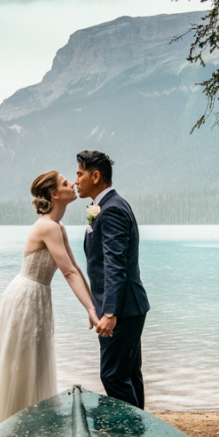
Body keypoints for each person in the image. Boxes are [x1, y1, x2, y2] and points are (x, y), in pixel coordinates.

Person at [0, 170, 100, 437]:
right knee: (21, 364)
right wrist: (90, 310)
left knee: (36, 362)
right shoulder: (47, 227)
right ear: (53, 194)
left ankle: (31, 432)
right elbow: (68, 274)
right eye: (65, 184)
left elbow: (76, 269)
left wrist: (95, 306)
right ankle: (9, 435)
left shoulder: (58, 227)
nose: (72, 185)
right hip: (25, 298)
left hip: (39, 296)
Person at [77, 150, 149, 408]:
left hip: (123, 310)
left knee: (113, 376)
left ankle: (130, 433)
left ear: (95, 176)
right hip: (128, 307)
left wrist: (109, 312)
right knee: (128, 374)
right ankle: (139, 434)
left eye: (79, 173)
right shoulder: (111, 206)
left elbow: (115, 265)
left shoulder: (111, 210)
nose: (75, 180)